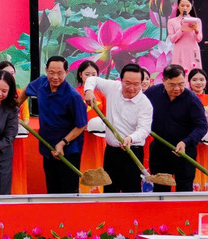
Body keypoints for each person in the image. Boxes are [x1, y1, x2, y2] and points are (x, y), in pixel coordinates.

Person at [20, 56, 87, 194]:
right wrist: (15, 107)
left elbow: (81, 125)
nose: (55, 77)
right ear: (46, 70)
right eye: (51, 72)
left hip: (68, 151)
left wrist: (63, 143)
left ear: (66, 72)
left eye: (59, 73)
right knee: (52, 190)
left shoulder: (73, 96)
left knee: (68, 192)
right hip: (48, 147)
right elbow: (27, 89)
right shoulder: (41, 83)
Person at [84, 63, 153, 193]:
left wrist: (130, 138)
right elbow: (92, 79)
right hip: (112, 152)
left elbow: (144, 129)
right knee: (110, 190)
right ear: (121, 80)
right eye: (127, 83)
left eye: (136, 84)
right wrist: (89, 91)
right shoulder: (113, 88)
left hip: (132, 152)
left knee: (131, 191)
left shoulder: (145, 104)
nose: (131, 88)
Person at [144, 64, 208, 192]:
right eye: (172, 84)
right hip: (160, 150)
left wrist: (186, 142)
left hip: (184, 151)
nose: (177, 88)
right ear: (164, 81)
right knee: (160, 189)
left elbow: (201, 126)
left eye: (181, 84)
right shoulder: (152, 93)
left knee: (184, 189)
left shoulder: (192, 99)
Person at [74, 61, 108, 194]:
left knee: (99, 164)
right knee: (82, 164)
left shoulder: (101, 94)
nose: (90, 77)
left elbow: (107, 115)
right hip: (80, 137)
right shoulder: (75, 93)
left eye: (94, 74)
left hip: (98, 139)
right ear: (80, 74)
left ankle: (99, 192)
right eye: (87, 74)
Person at [0, 61, 29, 194]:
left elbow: (25, 118)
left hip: (17, 138)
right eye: (6, 73)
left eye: (12, 73)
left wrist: (19, 126)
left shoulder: (20, 94)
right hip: (0, 140)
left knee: (16, 168)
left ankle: (18, 195)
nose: (10, 76)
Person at [168, 0, 202, 71]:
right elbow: (172, 39)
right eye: (182, 5)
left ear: (191, 7)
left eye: (187, 6)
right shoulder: (172, 22)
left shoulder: (197, 21)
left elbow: (199, 39)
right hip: (179, 50)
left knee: (194, 72)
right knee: (178, 72)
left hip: (193, 50)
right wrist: (181, 29)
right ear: (178, 6)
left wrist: (196, 30)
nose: (185, 8)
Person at [187, 68, 208, 191]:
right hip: (191, 142)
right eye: (194, 80)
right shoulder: (186, 99)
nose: (198, 83)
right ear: (189, 82)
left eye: (201, 79)